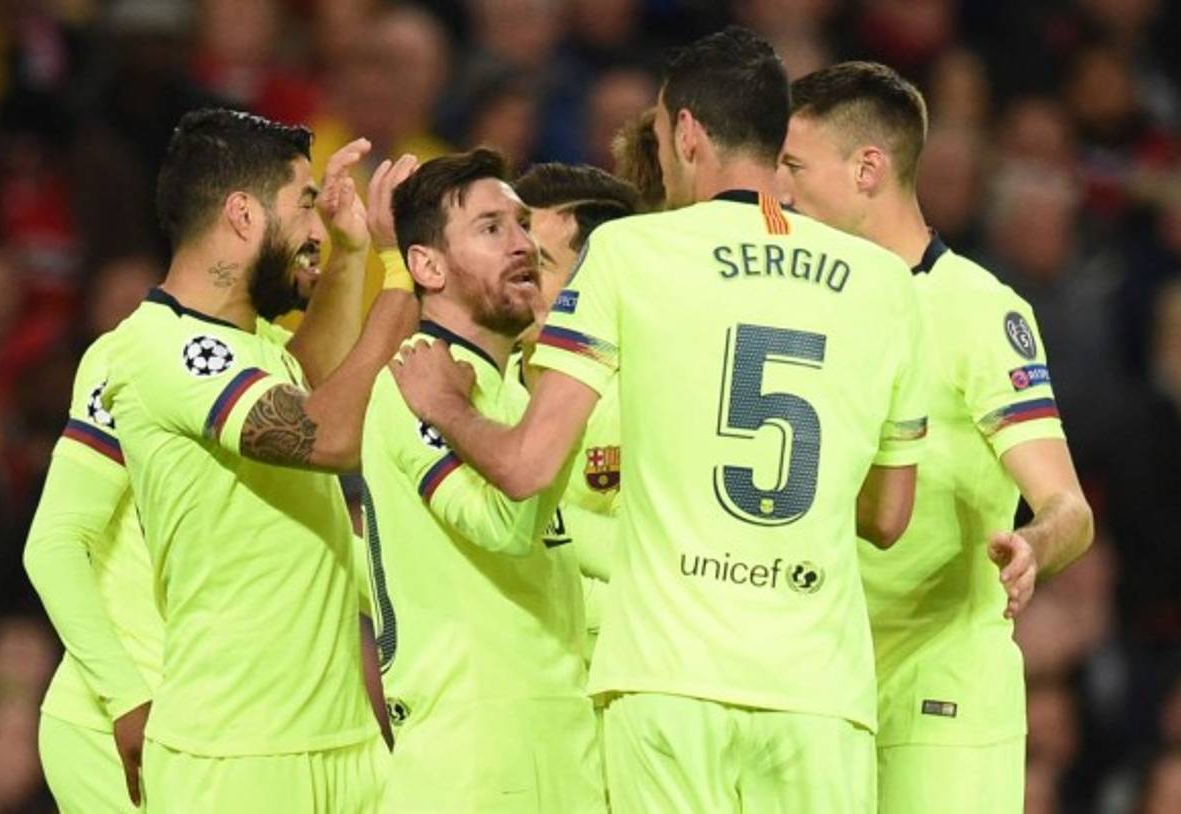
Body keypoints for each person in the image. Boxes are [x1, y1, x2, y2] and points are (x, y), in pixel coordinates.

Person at [390, 28, 928, 813]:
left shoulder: (631, 254)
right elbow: (887, 517)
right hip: (819, 688)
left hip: (666, 681)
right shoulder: (885, 284)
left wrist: (442, 404)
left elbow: (527, 467)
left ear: (685, 132)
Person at [778, 61, 1094, 814]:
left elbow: (1068, 508)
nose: (780, 190)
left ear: (866, 169)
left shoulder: (979, 310)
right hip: (813, 684)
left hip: (938, 690)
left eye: (793, 166)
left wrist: (1033, 548)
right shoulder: (793, 301)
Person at [101, 109, 417, 813]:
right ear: (242, 216)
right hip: (236, 755)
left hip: (343, 743)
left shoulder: (255, 346)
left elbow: (313, 379)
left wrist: (350, 252)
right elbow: (326, 434)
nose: (314, 227)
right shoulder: (163, 346)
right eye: (304, 203)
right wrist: (400, 278)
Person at [361, 148, 606, 813]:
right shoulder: (411, 384)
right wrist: (567, 384)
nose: (522, 244)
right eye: (491, 228)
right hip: (470, 758)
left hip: (559, 741)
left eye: (523, 225)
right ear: (427, 266)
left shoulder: (510, 393)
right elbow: (504, 524)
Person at [511, 162, 639, 664]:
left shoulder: (641, 399)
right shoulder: (469, 385)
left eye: (536, 265)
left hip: (610, 696)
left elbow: (648, 569)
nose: (512, 278)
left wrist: (513, 522)